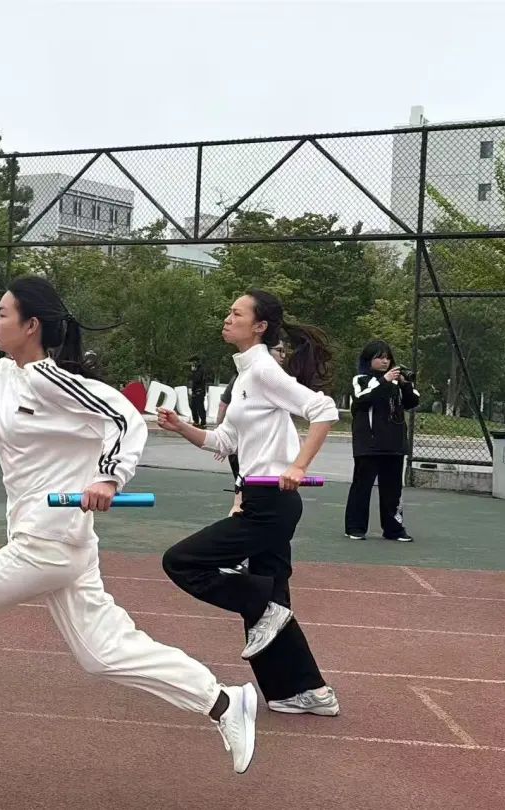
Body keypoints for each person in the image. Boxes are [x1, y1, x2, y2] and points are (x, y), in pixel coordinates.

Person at [0, 276, 257, 774]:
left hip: (50, 538)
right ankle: (224, 702)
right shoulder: (1, 375)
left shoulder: (52, 380)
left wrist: (108, 476)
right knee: (101, 654)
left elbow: (124, 418)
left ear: (31, 326)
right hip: (56, 541)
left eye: (3, 314)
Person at [158, 290, 341, 718]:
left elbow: (323, 410)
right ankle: (307, 691)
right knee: (269, 597)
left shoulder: (262, 370)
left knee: (182, 561)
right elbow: (224, 441)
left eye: (236, 313)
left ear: (259, 326)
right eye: (229, 312)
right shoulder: (244, 377)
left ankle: (266, 609)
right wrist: (182, 426)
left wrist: (298, 465)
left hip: (272, 503)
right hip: (259, 497)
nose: (227, 318)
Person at [344, 340, 420, 541]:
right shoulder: (361, 379)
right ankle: (355, 528)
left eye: (388, 358)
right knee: (362, 487)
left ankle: (394, 529)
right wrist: (384, 380)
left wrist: (405, 384)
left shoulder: (396, 383)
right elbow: (362, 400)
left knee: (393, 489)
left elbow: (412, 401)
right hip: (369, 444)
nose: (385, 361)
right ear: (368, 360)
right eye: (380, 357)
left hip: (394, 444)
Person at [219, 342, 287, 517]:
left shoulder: (277, 379)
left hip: (266, 446)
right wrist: (222, 436)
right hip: (245, 443)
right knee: (243, 492)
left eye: (285, 351)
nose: (283, 355)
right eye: (279, 350)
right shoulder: (243, 378)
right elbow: (224, 404)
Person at [189, 356, 208, 428]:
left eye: (193, 362)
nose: (192, 364)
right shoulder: (198, 369)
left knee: (200, 407)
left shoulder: (200, 369)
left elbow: (197, 379)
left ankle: (203, 422)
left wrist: (193, 372)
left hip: (199, 391)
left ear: (196, 362)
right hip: (195, 391)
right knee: (193, 407)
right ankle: (196, 421)